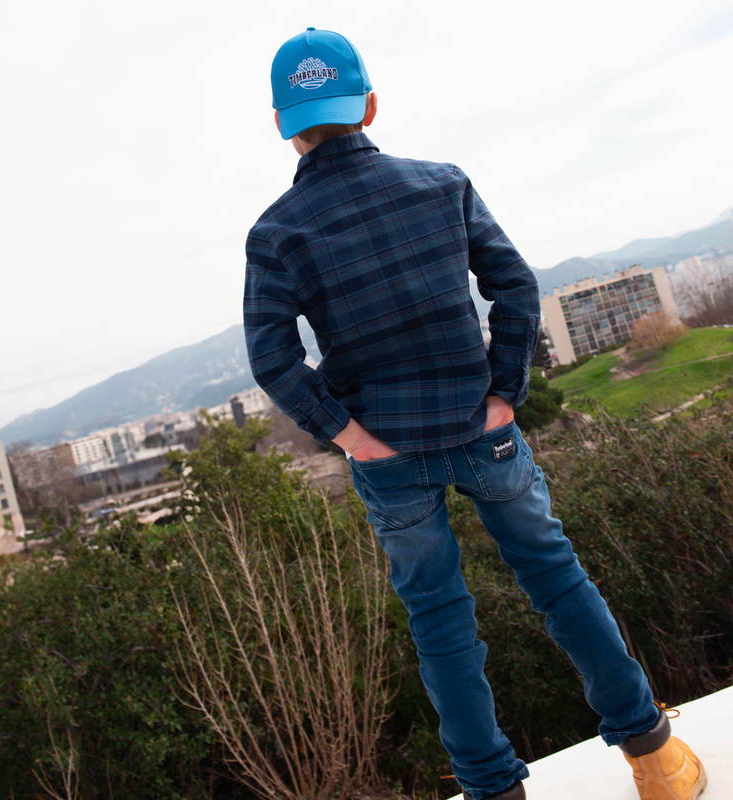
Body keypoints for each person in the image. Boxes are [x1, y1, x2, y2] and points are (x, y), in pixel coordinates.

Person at [243, 27, 707, 800]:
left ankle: (494, 789)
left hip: (387, 461)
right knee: (558, 581)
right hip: (482, 432)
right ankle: (654, 758)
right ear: (370, 103)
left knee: (440, 624)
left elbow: (273, 360)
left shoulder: (277, 232)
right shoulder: (440, 183)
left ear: (284, 126)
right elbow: (515, 289)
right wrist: (503, 396)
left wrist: (352, 438)